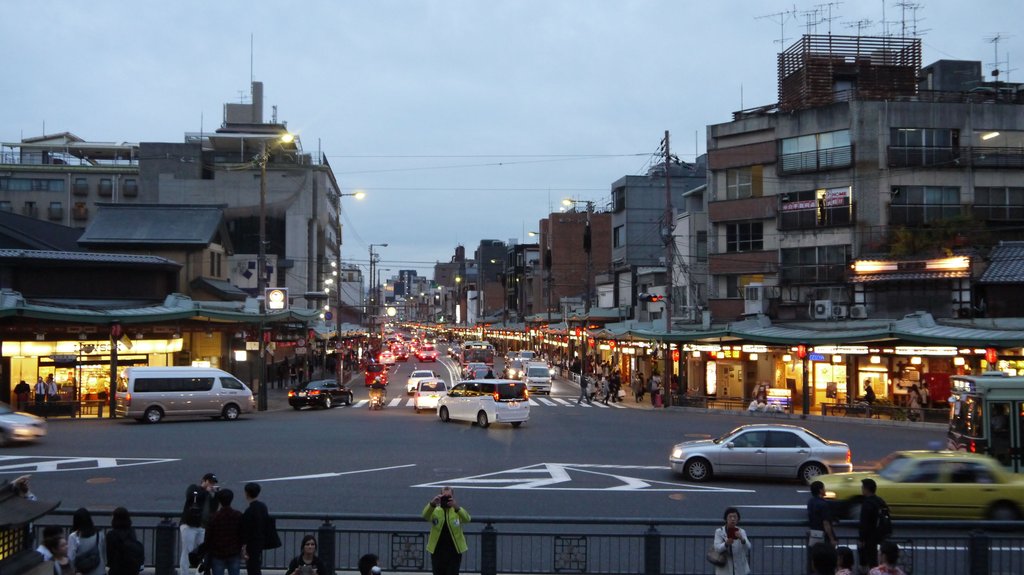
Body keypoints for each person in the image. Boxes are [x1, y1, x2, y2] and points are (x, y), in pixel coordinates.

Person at [422, 486, 471, 575]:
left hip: (454, 550)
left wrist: (456, 507)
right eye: (444, 497)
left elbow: (467, 519)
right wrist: (432, 503)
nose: (446, 499)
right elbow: (425, 515)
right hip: (437, 550)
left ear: (453, 497)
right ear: (440, 496)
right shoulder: (435, 511)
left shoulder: (456, 511)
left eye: (448, 497)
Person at [180, 473, 221, 575]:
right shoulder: (194, 488)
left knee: (203, 552)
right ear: (204, 480)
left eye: (213, 483)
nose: (211, 485)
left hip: (202, 527)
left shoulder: (209, 495)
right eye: (210, 482)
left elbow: (214, 509)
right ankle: (184, 573)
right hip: (189, 525)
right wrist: (205, 491)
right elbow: (191, 495)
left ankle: (200, 573)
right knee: (187, 551)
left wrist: (216, 495)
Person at [205, 488, 243, 575]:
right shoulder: (238, 515)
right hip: (234, 552)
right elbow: (242, 533)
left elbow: (208, 536)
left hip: (217, 553)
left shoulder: (214, 517)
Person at [858, 478, 888, 574]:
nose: (861, 489)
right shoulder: (880, 501)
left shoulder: (867, 503)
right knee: (878, 559)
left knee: (870, 560)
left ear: (866, 489)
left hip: (869, 537)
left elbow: (864, 523)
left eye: (862, 487)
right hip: (880, 534)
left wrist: (861, 538)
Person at [240, 482, 270, 575]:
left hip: (251, 543)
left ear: (247, 493)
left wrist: (243, 547)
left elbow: (246, 530)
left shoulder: (249, 511)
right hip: (260, 541)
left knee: (252, 567)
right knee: (256, 565)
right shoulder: (262, 507)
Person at [712, 507, 751, 575]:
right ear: (726, 519)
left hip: (740, 569)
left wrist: (742, 539)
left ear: (738, 519)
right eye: (730, 517)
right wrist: (726, 544)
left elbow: (748, 547)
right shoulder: (719, 532)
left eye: (735, 517)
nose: (732, 519)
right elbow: (717, 548)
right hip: (724, 569)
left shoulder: (741, 531)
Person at [68, 507, 106, 575]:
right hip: (100, 571)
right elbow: (103, 553)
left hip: (83, 572)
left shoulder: (73, 537)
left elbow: (71, 558)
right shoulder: (99, 534)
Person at [106, 507, 141, 575]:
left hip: (117, 569)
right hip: (132, 570)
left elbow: (109, 556)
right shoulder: (131, 532)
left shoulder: (111, 535)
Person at [807, 480, 838, 551]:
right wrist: (832, 539)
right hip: (824, 536)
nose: (825, 490)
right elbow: (826, 523)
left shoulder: (810, 502)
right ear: (820, 490)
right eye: (824, 488)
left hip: (814, 534)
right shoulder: (824, 504)